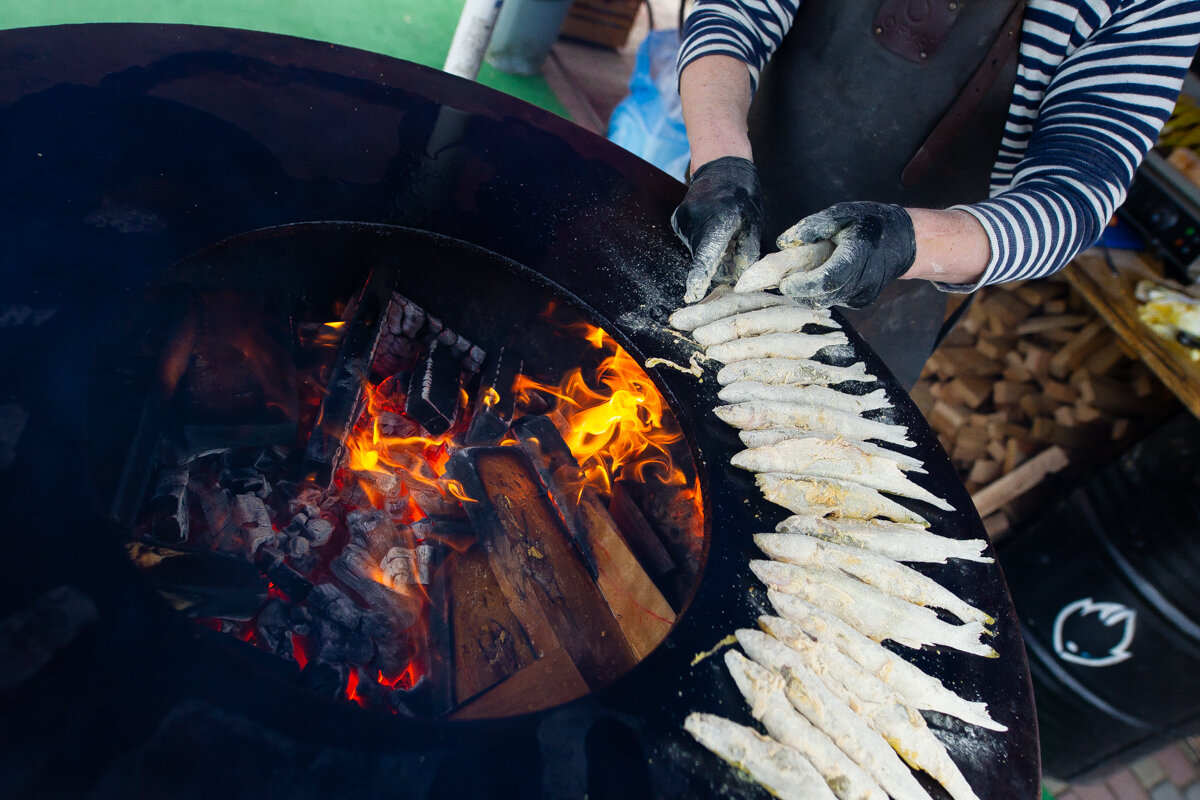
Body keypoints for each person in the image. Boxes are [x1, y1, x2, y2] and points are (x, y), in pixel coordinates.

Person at [670, 0, 1200, 384]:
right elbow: (730, 17)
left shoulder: (1154, 7)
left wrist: (902, 239)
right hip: (724, 204)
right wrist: (719, 161)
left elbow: (1075, 197)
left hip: (896, 291)